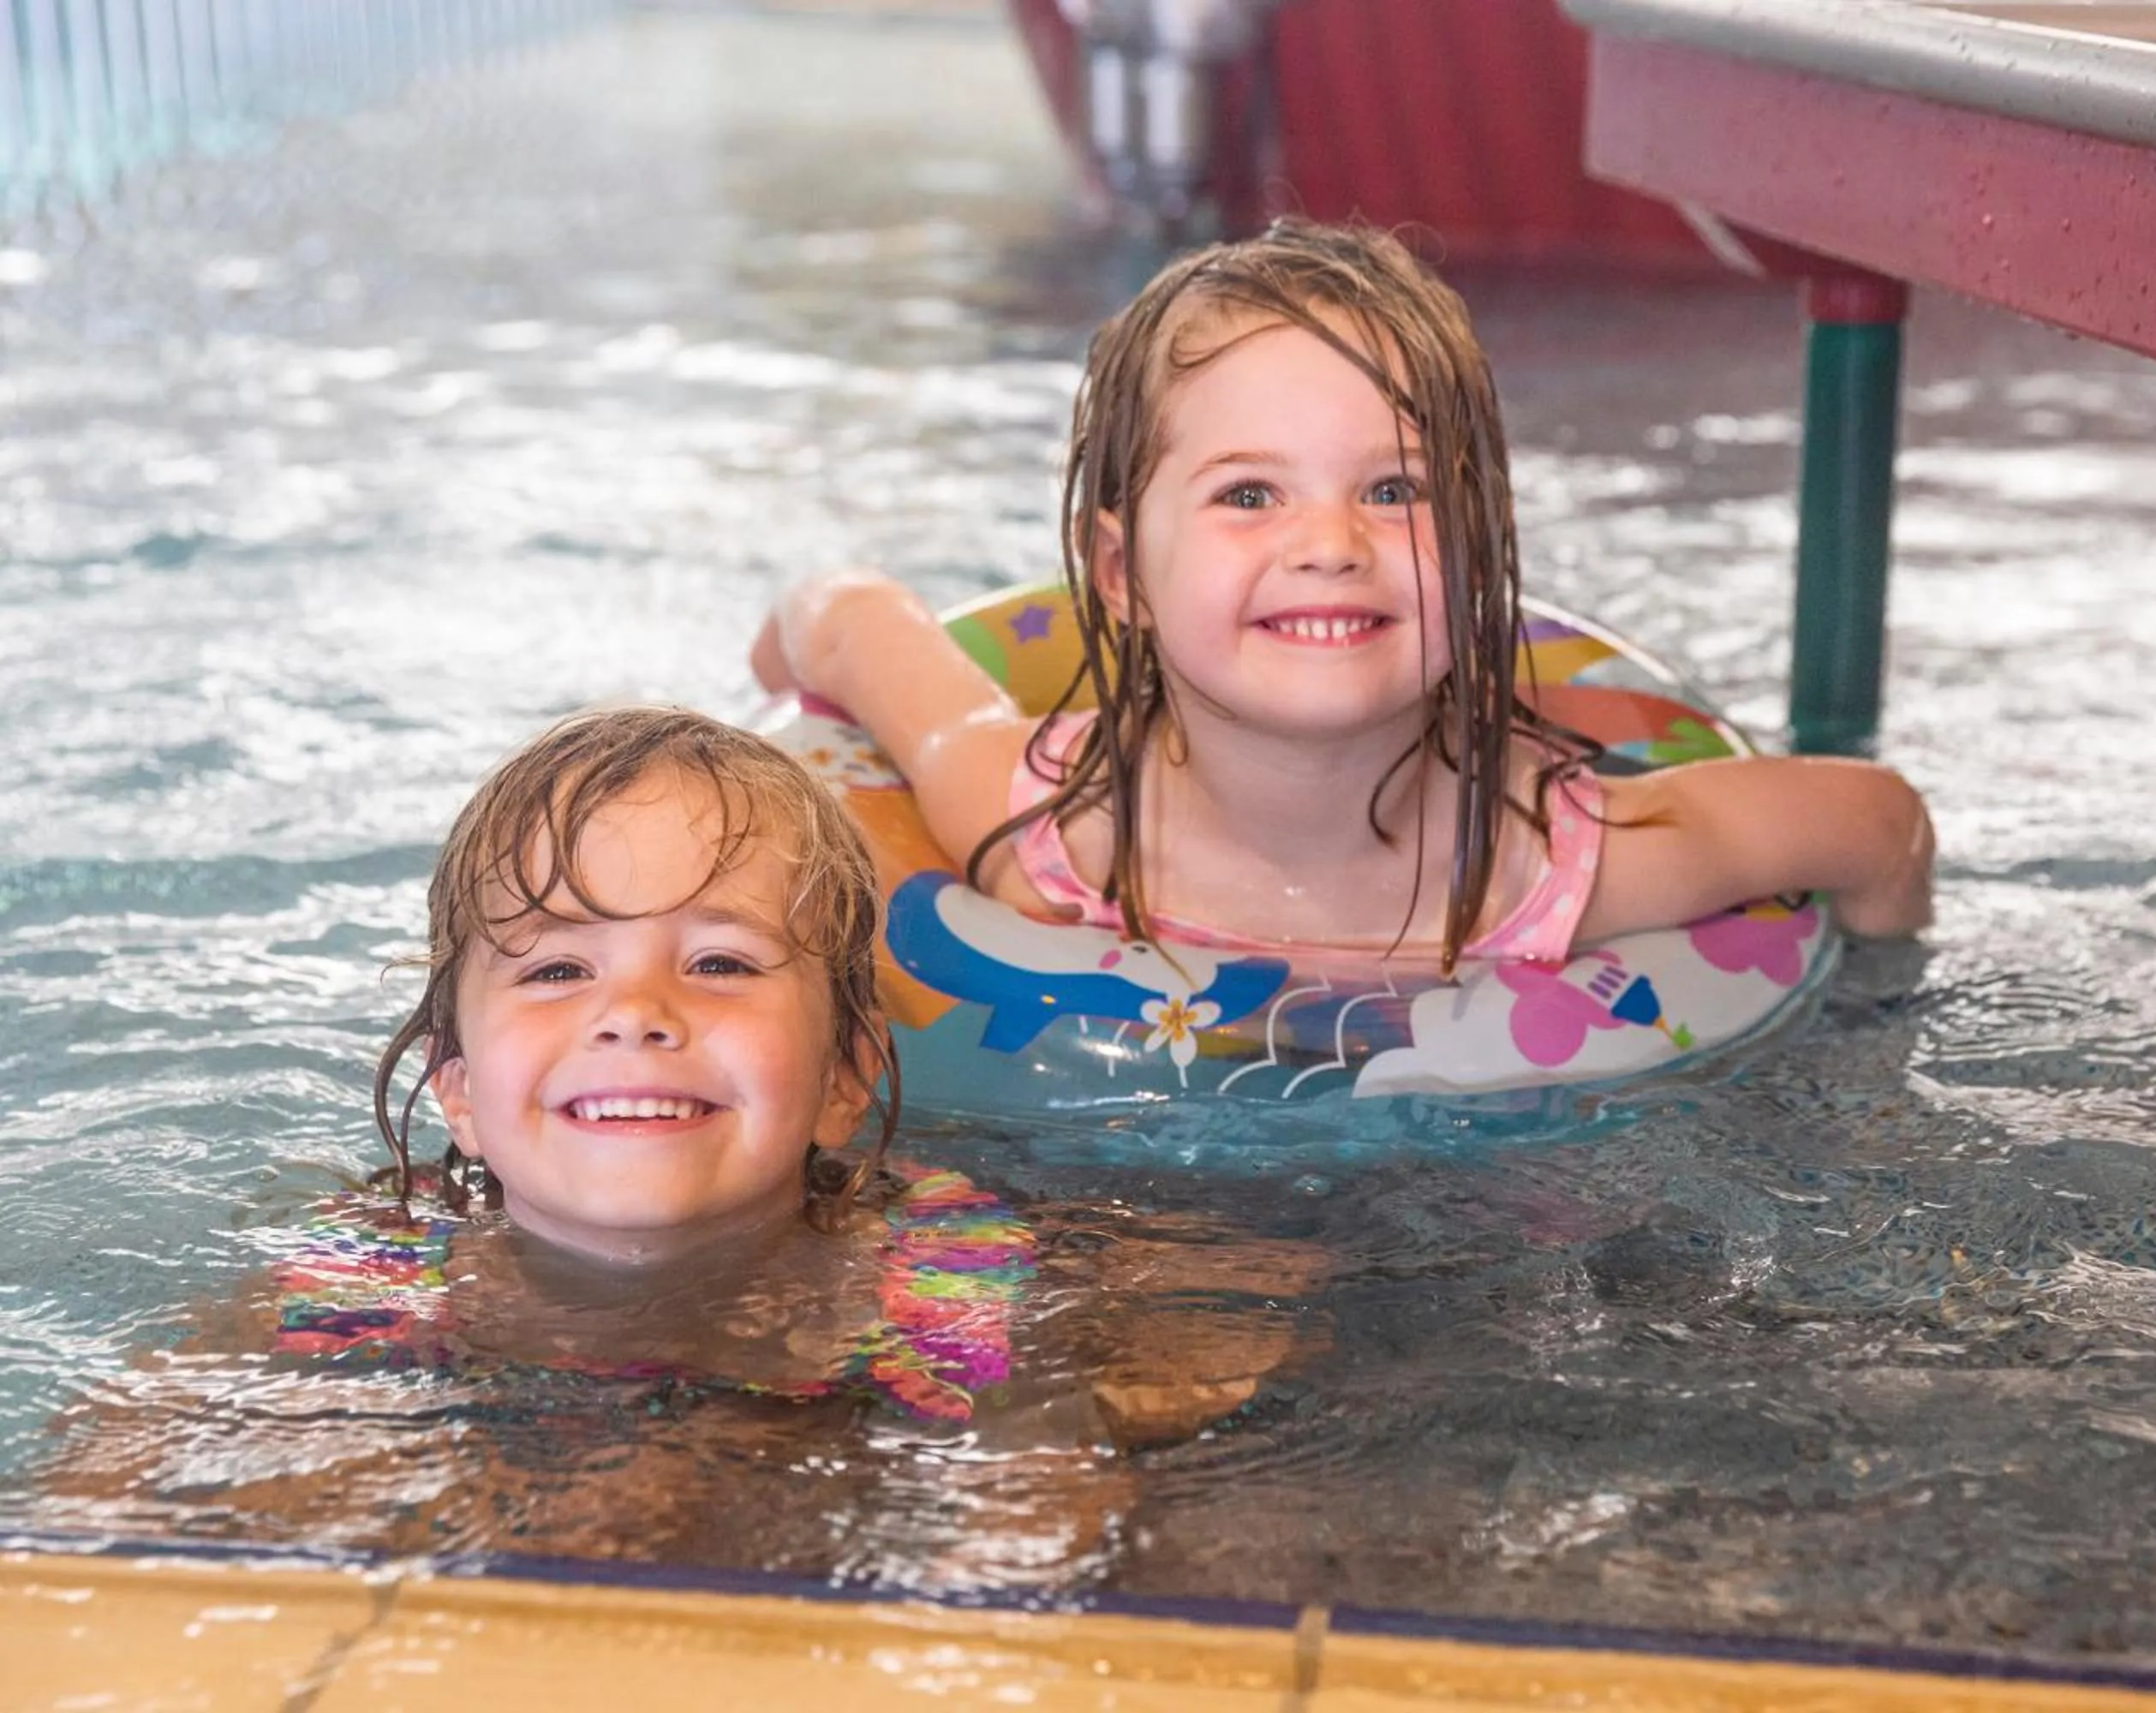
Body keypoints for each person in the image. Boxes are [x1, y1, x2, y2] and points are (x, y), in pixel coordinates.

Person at [41, 707, 1319, 1573]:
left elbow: (1031, 1537)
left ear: (842, 1080)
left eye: (717, 961)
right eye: (554, 973)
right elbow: (99, 1493)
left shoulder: (936, 1281)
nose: (636, 1016)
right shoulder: (377, 1270)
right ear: (463, 1094)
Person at [751, 218, 1932, 980]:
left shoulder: (1574, 866)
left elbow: (1877, 820)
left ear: (1477, 557)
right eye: (1251, 493)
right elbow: (852, 619)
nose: (1330, 543)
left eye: (1394, 489)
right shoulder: (1043, 824)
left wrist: (1870, 1014)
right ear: (1121, 579)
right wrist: (772, 677)